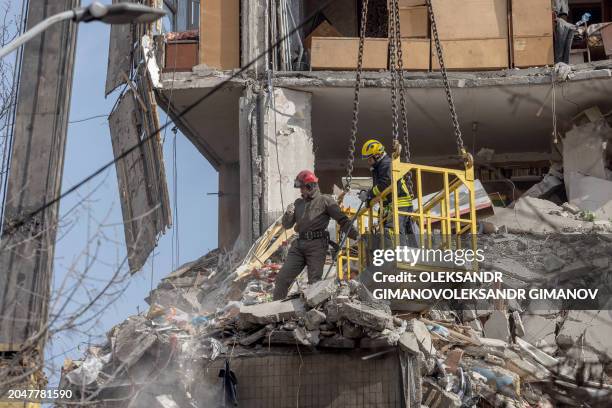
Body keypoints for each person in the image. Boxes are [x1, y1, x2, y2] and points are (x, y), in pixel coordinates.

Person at [273, 170, 359, 300]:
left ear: (310, 186)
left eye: (302, 188)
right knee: (282, 279)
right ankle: (274, 312)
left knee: (314, 284)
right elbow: (287, 225)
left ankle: (312, 316)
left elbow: (342, 220)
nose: (300, 191)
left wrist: (356, 235)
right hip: (299, 245)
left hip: (317, 246)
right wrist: (288, 214)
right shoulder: (298, 203)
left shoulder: (325, 201)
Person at [359, 139, 415, 246]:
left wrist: (369, 194)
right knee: (389, 232)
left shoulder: (386, 164)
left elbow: (385, 182)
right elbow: (380, 189)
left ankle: (402, 255)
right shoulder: (378, 167)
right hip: (391, 204)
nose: (368, 162)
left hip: (400, 202)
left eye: (369, 159)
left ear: (377, 155)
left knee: (393, 229)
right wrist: (369, 199)